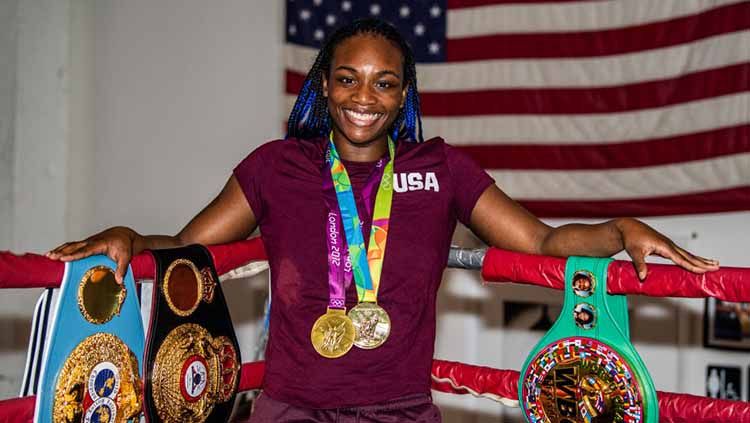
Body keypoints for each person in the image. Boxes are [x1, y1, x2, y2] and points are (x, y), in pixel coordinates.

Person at [47, 18, 718, 422]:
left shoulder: (443, 169)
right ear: (323, 85)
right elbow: (189, 246)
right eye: (347, 78)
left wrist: (618, 228)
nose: (363, 96)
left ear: (404, 96)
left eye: (384, 82)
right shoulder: (275, 165)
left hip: (401, 412)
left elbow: (541, 240)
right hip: (290, 410)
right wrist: (133, 239)